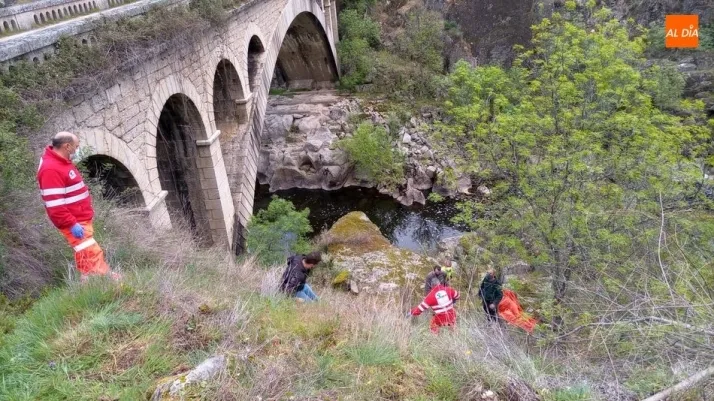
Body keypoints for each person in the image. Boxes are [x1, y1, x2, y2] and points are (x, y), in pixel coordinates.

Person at [36, 132, 121, 284]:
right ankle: (109, 282)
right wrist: (71, 224)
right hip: (73, 222)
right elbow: (54, 205)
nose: (77, 149)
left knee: (84, 253)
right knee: (91, 252)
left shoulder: (61, 162)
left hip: (79, 218)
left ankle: (88, 283)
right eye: (76, 146)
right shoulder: (51, 169)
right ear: (67, 146)